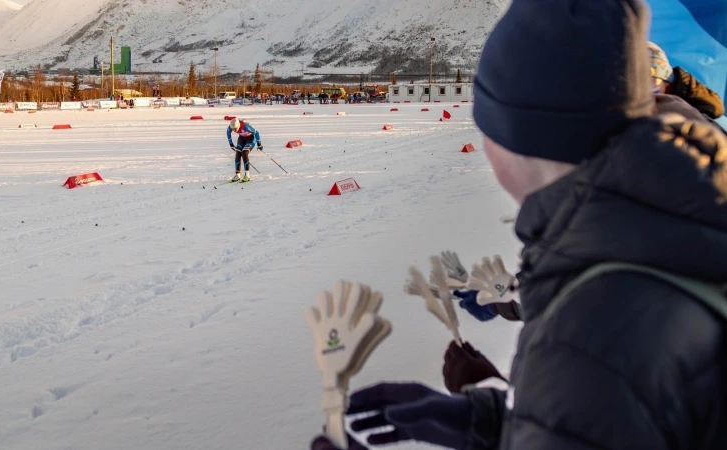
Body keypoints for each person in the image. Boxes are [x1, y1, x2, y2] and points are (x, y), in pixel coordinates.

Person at [311, 0, 727, 449]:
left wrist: (504, 404)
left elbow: (604, 381)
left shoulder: (588, 336)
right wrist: (493, 421)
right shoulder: (672, 218)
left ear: (519, 142)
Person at [649, 41, 724, 119]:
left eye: (650, 80)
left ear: (666, 80)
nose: (645, 88)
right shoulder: (641, 103)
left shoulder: (695, 109)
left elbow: (714, 107)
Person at [226, 118, 262, 182]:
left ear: (238, 126)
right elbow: (228, 134)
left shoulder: (245, 126)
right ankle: (237, 175)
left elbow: (256, 133)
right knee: (238, 153)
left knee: (244, 153)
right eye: (232, 129)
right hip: (242, 138)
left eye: (235, 129)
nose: (234, 130)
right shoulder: (231, 126)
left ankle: (247, 175)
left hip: (251, 138)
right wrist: (231, 144)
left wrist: (259, 144)